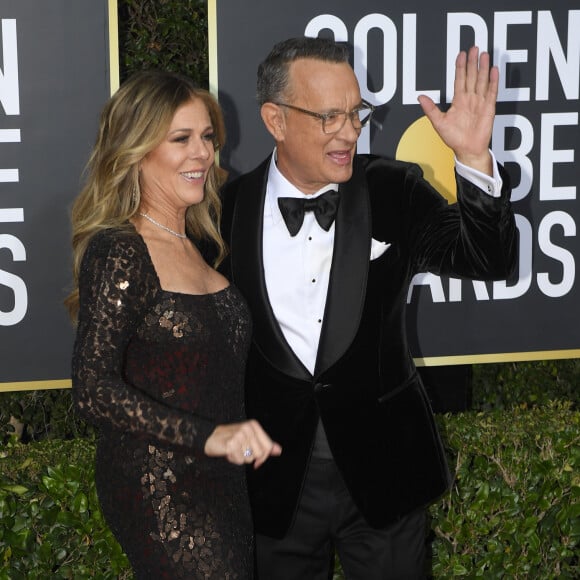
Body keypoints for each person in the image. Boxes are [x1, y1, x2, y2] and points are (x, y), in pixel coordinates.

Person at [220, 37, 517, 579]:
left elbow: (489, 259)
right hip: (272, 485)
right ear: (275, 119)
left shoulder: (391, 188)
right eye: (329, 116)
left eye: (355, 112)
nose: (350, 131)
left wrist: (473, 158)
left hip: (385, 470)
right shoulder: (225, 213)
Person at [66, 70, 281, 579]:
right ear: (137, 150)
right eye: (181, 139)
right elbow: (92, 388)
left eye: (207, 137)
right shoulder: (121, 249)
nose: (202, 153)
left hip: (223, 481)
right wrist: (207, 437)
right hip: (160, 484)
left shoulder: (201, 247)